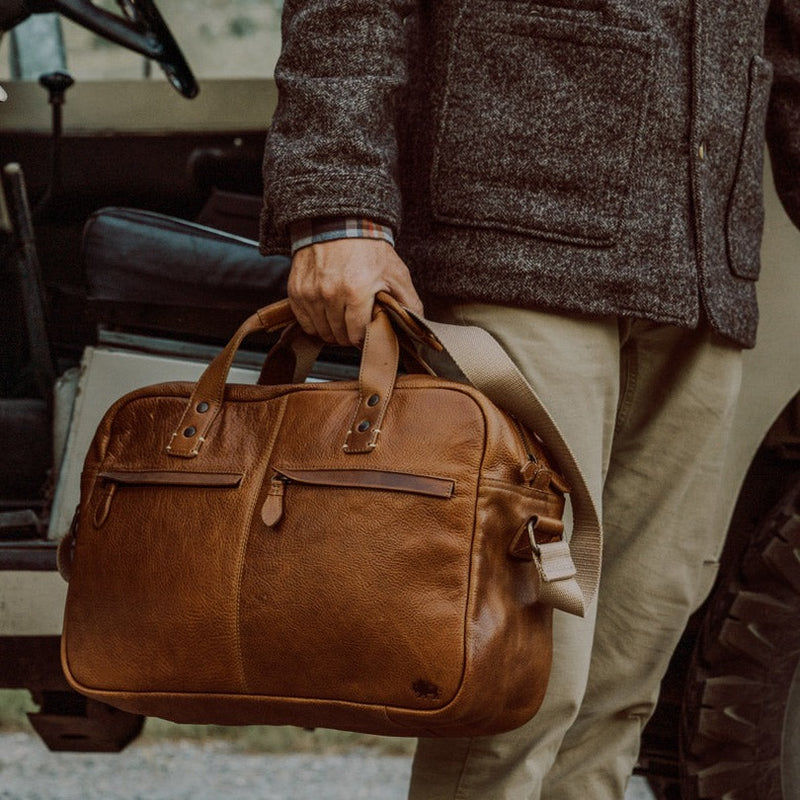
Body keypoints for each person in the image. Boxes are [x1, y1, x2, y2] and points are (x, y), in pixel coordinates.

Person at [260, 2, 800, 797]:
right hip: (519, 241)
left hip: (701, 272)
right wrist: (338, 208)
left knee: (622, 686)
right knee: (519, 684)